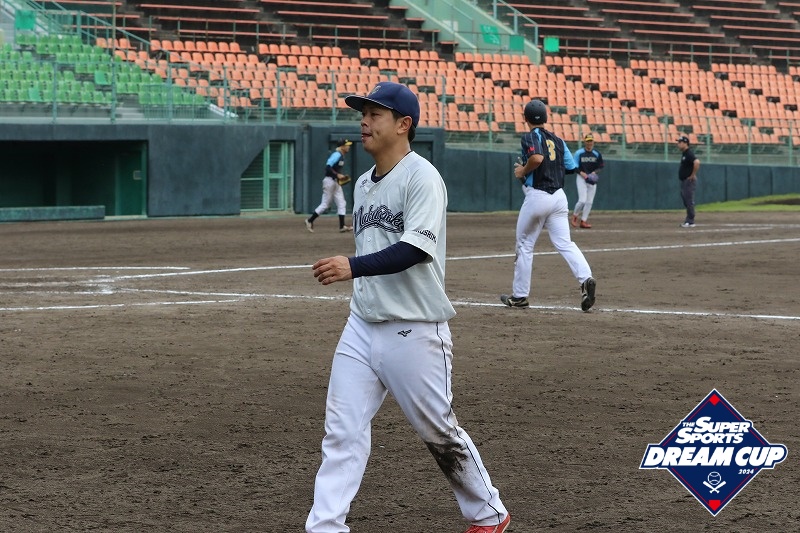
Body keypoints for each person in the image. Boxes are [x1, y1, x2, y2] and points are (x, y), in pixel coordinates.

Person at [306, 81, 511, 533]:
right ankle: (325, 527)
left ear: (404, 124)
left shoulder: (423, 177)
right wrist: (358, 272)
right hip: (361, 325)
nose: (364, 122)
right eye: (363, 114)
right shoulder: (363, 183)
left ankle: (488, 514)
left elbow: (415, 249)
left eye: (374, 114)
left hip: (415, 328)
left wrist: (353, 266)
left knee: (438, 431)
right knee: (342, 431)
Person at [500, 99, 596, 312]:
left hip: (538, 196)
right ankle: (586, 278)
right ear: (545, 118)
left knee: (525, 245)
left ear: (525, 118)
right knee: (565, 243)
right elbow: (570, 167)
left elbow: (536, 157)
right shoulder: (558, 140)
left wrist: (523, 170)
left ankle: (520, 296)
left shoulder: (530, 136)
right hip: (559, 197)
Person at [305, 138, 354, 233]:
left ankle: (342, 226)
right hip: (329, 181)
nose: (348, 147)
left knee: (342, 203)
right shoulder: (336, 155)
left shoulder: (341, 156)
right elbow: (327, 167)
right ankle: (310, 220)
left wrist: (339, 176)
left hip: (335, 182)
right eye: (347, 145)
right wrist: (337, 175)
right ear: (342, 146)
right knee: (325, 204)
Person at [571, 133, 604, 229]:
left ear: (593, 142)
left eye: (591, 141)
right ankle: (575, 216)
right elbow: (574, 166)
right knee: (582, 200)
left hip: (591, 179)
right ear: (585, 142)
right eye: (588, 141)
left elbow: (601, 166)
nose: (589, 143)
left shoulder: (597, 153)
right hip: (581, 177)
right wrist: (581, 173)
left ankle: (583, 221)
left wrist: (594, 172)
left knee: (589, 202)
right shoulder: (579, 153)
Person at [676, 135, 700, 228]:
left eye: (680, 142)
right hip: (685, 181)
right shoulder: (685, 154)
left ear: (685, 143)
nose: (678, 144)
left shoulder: (689, 153)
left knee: (689, 200)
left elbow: (697, 162)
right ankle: (689, 219)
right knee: (686, 200)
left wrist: (692, 175)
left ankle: (690, 221)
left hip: (688, 181)